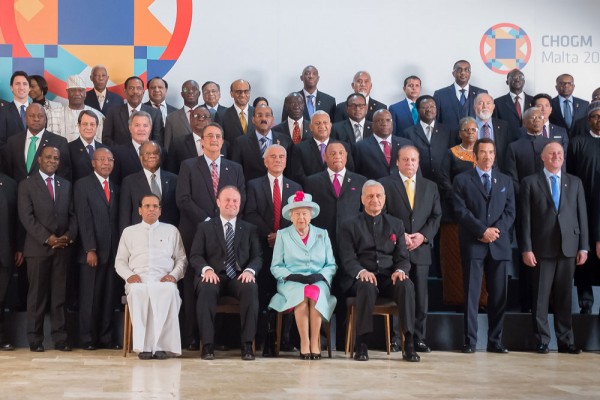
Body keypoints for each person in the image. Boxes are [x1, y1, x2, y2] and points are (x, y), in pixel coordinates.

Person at [176, 122, 245, 350]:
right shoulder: (188, 166)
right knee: (193, 284)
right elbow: (183, 199)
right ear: (202, 141)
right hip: (195, 231)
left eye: (218, 136)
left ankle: (222, 338)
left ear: (222, 141)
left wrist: (222, 223)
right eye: (209, 136)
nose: (214, 140)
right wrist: (209, 222)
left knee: (224, 278)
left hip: (228, 234)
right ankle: (193, 337)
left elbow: (239, 198)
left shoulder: (234, 168)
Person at [338, 180, 420, 362]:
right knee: (366, 285)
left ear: (384, 199)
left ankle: (409, 343)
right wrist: (361, 272)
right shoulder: (349, 225)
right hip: (361, 279)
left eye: (378, 196)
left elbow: (403, 257)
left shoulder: (396, 224)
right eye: (370, 196)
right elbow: (347, 259)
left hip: (387, 278)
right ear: (362, 199)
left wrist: (400, 270)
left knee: (406, 284)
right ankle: (362, 343)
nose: (374, 199)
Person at [519, 142, 587, 354]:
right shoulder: (530, 182)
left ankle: (566, 341)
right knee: (540, 298)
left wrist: (584, 247)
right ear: (543, 157)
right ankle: (542, 340)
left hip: (568, 248)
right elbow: (525, 220)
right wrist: (526, 248)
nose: (556, 156)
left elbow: (582, 216)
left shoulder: (574, 182)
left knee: (565, 296)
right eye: (552, 154)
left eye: (559, 153)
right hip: (541, 249)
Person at [453, 138, 515, 354]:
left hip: (499, 245)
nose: (487, 156)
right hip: (474, 243)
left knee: (499, 296)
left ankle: (495, 341)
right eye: (483, 152)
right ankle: (470, 341)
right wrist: (482, 231)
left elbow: (510, 212)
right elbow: (461, 212)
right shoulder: (461, 180)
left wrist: (494, 231)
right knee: (471, 296)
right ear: (475, 155)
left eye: (491, 152)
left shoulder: (505, 181)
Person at [304, 141, 367, 350]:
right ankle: (321, 340)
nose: (337, 156)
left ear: (347, 156)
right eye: (332, 153)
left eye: (341, 152)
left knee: (345, 293)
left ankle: (345, 343)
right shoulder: (312, 182)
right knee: (321, 293)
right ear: (325, 157)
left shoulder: (360, 181)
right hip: (321, 249)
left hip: (352, 249)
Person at [380, 146, 442, 354]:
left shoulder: (430, 186)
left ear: (418, 162)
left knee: (421, 297)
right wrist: (401, 236)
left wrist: (423, 236)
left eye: (413, 160)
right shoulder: (385, 184)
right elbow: (383, 213)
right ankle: (397, 339)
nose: (410, 164)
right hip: (395, 251)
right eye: (405, 160)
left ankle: (418, 337)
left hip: (421, 249)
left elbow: (436, 216)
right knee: (400, 294)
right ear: (397, 162)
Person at [190, 186, 262, 360]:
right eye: (227, 200)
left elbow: (258, 256)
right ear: (218, 202)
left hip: (239, 276)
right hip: (214, 275)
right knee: (206, 288)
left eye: (235, 200)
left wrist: (250, 271)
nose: (231, 204)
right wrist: (206, 270)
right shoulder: (205, 227)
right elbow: (195, 255)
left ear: (240, 203)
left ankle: (247, 345)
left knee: (250, 287)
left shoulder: (250, 229)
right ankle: (207, 345)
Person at [18, 146, 77, 352]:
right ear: (39, 159)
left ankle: (60, 339)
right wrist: (47, 238)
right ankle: (35, 340)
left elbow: (73, 215)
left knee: (59, 296)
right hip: (37, 249)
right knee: (37, 296)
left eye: (56, 158)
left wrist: (67, 237)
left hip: (62, 248)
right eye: (49, 157)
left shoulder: (66, 185)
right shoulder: (27, 185)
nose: (53, 160)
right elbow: (27, 218)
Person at [244, 144, 302, 353]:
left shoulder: (295, 187)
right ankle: (261, 338)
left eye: (281, 157)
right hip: (261, 247)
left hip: (287, 250)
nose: (278, 160)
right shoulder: (253, 185)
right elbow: (249, 213)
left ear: (286, 161)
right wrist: (270, 235)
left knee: (287, 291)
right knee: (261, 292)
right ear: (265, 161)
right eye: (273, 157)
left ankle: (285, 338)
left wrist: (281, 236)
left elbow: (298, 217)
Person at [115, 194, 187, 360]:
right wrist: (130, 275)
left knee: (168, 291)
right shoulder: (129, 232)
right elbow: (120, 262)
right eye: (147, 206)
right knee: (139, 292)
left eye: (155, 206)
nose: (151, 209)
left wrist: (173, 275)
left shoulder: (171, 230)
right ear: (140, 210)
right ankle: (144, 347)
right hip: (138, 280)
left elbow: (182, 259)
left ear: (160, 211)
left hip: (163, 279)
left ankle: (162, 346)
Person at [269, 191, 337, 360]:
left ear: (311, 215)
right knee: (301, 297)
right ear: (291, 216)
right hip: (291, 282)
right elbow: (276, 266)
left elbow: (331, 265)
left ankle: (315, 342)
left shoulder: (323, 234)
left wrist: (320, 276)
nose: (301, 217)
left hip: (318, 280)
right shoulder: (283, 235)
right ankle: (304, 342)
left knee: (314, 294)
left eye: (305, 213)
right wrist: (293, 277)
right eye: (297, 214)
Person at [74, 147, 119, 350]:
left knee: (109, 297)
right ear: (93, 163)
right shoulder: (83, 185)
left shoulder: (116, 187)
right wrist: (89, 248)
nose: (106, 163)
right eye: (101, 159)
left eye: (109, 160)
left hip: (113, 253)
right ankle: (87, 339)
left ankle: (106, 338)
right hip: (92, 253)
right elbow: (83, 219)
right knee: (89, 297)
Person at [438, 117, 482, 307]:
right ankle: (456, 300)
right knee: (454, 259)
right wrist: (461, 201)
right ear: (459, 133)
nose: (470, 133)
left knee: (479, 260)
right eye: (466, 130)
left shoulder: (485, 154)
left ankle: (481, 300)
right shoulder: (451, 154)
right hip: (454, 216)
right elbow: (444, 180)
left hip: (480, 217)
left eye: (473, 129)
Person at [566, 101, 600, 314]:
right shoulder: (577, 142)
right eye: (595, 116)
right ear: (589, 120)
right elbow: (569, 176)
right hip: (583, 208)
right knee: (584, 257)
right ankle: (585, 303)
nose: (599, 120)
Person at [119, 140, 178, 233]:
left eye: (155, 153)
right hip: (139, 236)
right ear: (140, 157)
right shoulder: (129, 182)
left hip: (167, 235)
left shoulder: (174, 179)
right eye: (147, 153)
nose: (152, 156)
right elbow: (124, 215)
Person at [3, 103, 71, 183]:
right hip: (17, 192)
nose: (36, 119)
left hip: (46, 194)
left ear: (45, 119)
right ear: (25, 118)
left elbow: (64, 176)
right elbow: (7, 172)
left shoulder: (59, 142)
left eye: (40, 116)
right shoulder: (13, 141)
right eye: (32, 116)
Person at [231, 104, 293, 183]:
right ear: (253, 119)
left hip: (279, 189)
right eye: (259, 115)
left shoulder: (285, 141)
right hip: (251, 191)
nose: (263, 118)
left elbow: (290, 171)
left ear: (272, 119)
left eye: (267, 115)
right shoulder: (240, 142)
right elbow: (236, 173)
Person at [291, 111, 354, 185]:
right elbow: (298, 175)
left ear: (330, 125)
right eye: (317, 123)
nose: (322, 126)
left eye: (325, 122)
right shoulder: (299, 148)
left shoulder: (343, 146)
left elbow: (350, 171)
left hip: (338, 190)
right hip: (311, 191)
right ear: (311, 127)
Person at [402, 95, 454, 185]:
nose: (429, 109)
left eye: (432, 106)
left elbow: (452, 155)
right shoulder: (408, 133)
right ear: (417, 110)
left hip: (445, 182)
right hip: (420, 182)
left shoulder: (447, 131)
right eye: (424, 107)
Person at [102, 76, 163, 147]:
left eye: (139, 88)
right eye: (131, 88)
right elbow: (106, 139)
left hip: (145, 156)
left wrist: (145, 151)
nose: (135, 91)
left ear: (143, 91)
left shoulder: (155, 113)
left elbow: (158, 141)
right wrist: (122, 152)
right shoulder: (113, 112)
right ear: (125, 91)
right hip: (120, 157)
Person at [355, 109, 412, 180]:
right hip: (374, 189)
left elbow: (415, 170)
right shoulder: (360, 147)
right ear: (372, 125)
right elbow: (356, 176)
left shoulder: (406, 144)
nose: (385, 124)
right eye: (380, 120)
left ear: (392, 123)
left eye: (388, 120)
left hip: (401, 189)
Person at [433, 60, 488, 133]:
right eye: (459, 70)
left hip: (474, 140)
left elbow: (486, 120)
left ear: (470, 73)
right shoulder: (440, 94)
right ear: (453, 73)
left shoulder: (481, 93)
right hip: (447, 140)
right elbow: (435, 121)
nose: (463, 73)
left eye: (466, 70)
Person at [46, 75, 104, 142]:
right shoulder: (54, 114)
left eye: (80, 90)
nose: (77, 93)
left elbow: (98, 144)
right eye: (72, 90)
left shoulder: (98, 115)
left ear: (85, 93)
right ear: (67, 92)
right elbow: (52, 142)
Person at [0, 173, 21, 350]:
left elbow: (16, 219)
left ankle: (1, 338)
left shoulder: (9, 183)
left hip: (4, 252)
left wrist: (19, 247)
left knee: (1, 299)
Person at [165, 105, 212, 174]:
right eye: (197, 116)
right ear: (191, 120)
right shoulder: (177, 143)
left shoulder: (221, 143)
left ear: (210, 121)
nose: (201, 119)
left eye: (205, 116)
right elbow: (171, 172)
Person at [473, 93, 512, 172]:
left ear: (493, 107)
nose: (485, 106)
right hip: (473, 173)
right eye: (480, 103)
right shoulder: (467, 126)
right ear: (474, 107)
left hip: (499, 173)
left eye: (488, 103)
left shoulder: (504, 126)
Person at [68, 110, 107, 184]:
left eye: (92, 124)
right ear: (79, 126)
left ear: (97, 127)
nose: (89, 128)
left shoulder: (104, 149)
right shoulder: (69, 148)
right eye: (85, 124)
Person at [493, 69, 533, 138]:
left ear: (524, 81)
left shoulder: (533, 101)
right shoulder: (498, 103)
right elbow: (496, 128)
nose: (517, 80)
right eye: (513, 77)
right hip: (507, 144)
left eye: (520, 77)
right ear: (507, 82)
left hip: (530, 143)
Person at [163, 80, 200, 151]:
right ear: (182, 94)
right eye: (186, 89)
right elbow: (167, 147)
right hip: (180, 161)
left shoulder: (208, 115)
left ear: (199, 93)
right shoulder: (171, 118)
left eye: (194, 89)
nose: (190, 91)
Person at [0, 71, 30, 149]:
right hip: (10, 159)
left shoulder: (38, 111)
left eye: (25, 84)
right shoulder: (3, 111)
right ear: (11, 88)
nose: (21, 87)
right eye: (17, 84)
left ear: (29, 88)